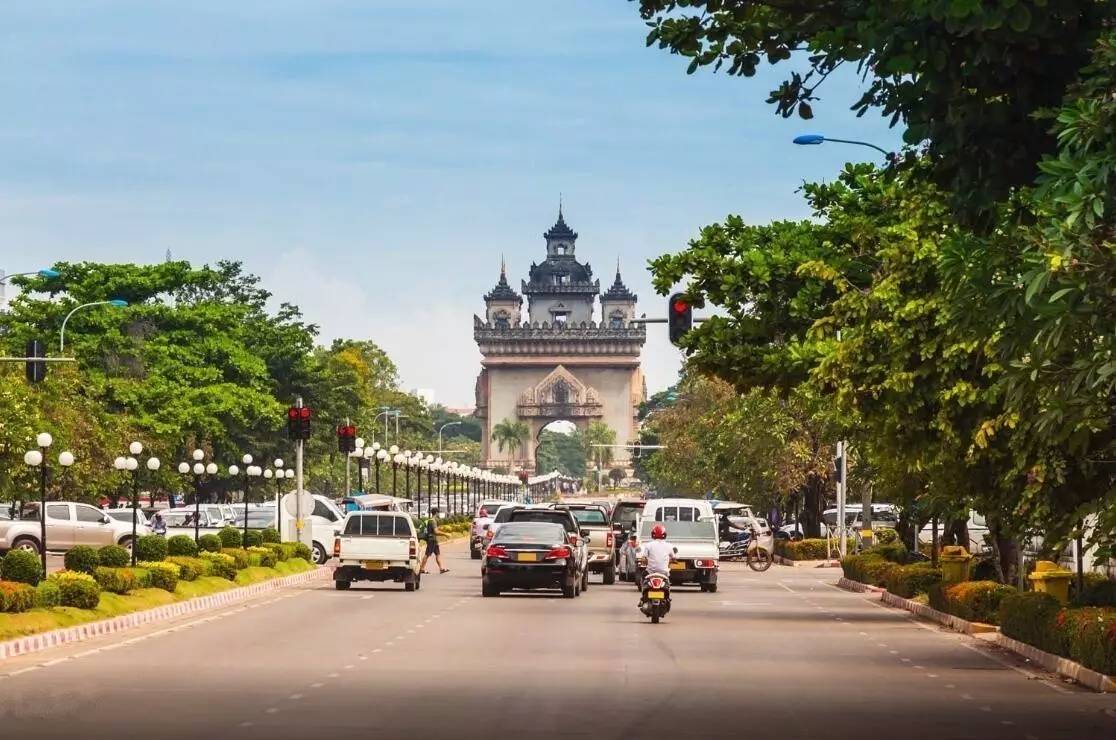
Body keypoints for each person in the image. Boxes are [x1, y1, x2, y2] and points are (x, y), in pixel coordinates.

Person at [637, 523, 675, 603]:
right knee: (667, 583)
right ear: (664, 535)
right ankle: (668, 597)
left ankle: (642, 598)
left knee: (643, 578)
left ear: (652, 535)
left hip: (651, 572)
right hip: (663, 572)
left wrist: (645, 561)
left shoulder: (648, 545)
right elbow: (673, 557)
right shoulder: (669, 546)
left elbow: (644, 558)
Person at [419, 507, 449, 575]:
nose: (438, 514)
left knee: (438, 554)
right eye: (438, 513)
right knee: (427, 555)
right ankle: (421, 569)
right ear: (436, 513)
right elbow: (436, 532)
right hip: (432, 540)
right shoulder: (432, 521)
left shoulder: (431, 520)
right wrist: (445, 534)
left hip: (434, 540)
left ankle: (441, 569)